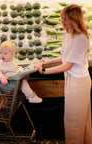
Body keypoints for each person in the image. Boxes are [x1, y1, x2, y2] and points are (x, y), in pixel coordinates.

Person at [34, 4, 92, 144]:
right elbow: (65, 57)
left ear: (74, 19)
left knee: (75, 120)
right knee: (79, 118)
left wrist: (44, 71)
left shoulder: (81, 38)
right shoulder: (68, 33)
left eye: (65, 19)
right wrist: (48, 62)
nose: (62, 22)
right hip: (72, 80)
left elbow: (67, 65)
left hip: (79, 83)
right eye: (61, 18)